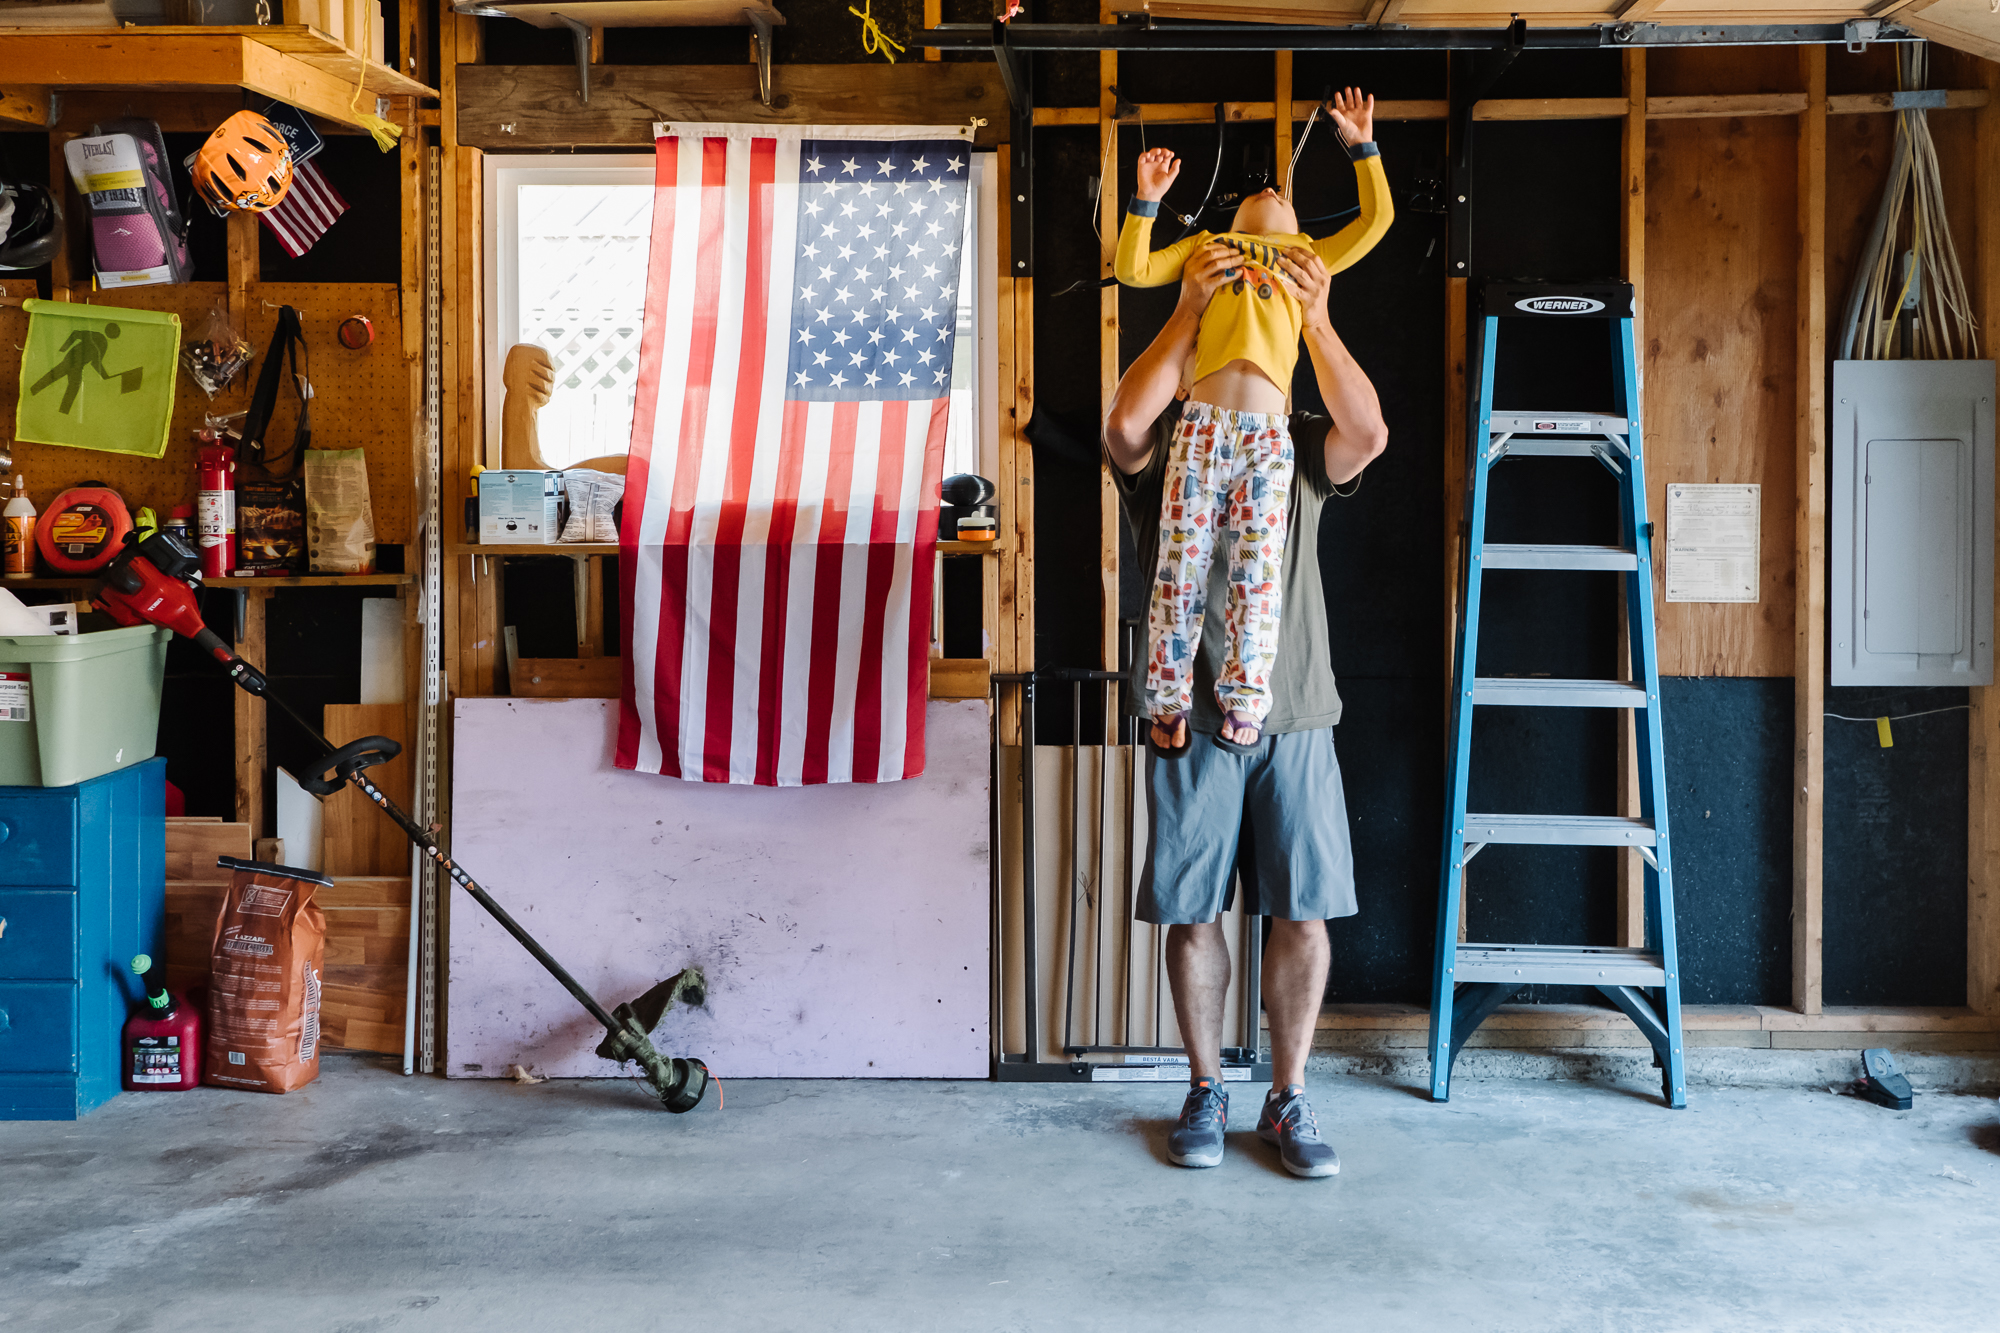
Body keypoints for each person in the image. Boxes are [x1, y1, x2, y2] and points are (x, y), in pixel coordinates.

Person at [1102, 231, 1388, 1178]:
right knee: (1196, 913)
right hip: (1188, 716)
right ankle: (1204, 1088)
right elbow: (1121, 426)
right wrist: (1186, 308)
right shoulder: (1177, 448)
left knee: (1303, 914)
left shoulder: (1296, 446)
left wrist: (1315, 318)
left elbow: (1371, 433)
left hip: (1297, 712)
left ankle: (1288, 1094)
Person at [1114, 88, 1391, 756]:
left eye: (1283, 194)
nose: (1271, 189)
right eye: (1258, 192)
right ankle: (1167, 701)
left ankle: (1244, 701)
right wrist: (1145, 201)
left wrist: (1363, 148)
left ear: (1297, 227)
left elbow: (1376, 221)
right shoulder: (1208, 251)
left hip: (1270, 441)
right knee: (1178, 570)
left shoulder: (1306, 263)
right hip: (1201, 427)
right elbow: (1132, 267)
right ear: (1232, 218)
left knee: (1256, 574)